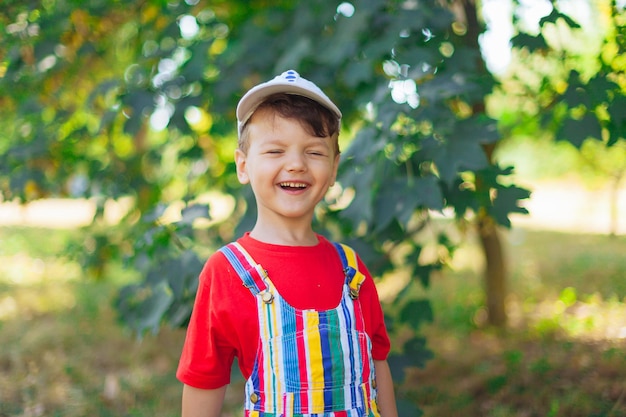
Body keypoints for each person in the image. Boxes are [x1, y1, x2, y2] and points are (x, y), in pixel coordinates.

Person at [176, 69, 398, 417]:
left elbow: (377, 364)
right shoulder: (227, 272)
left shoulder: (351, 271)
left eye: (314, 152)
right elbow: (204, 380)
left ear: (334, 167)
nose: (295, 164)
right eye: (275, 151)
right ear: (243, 165)